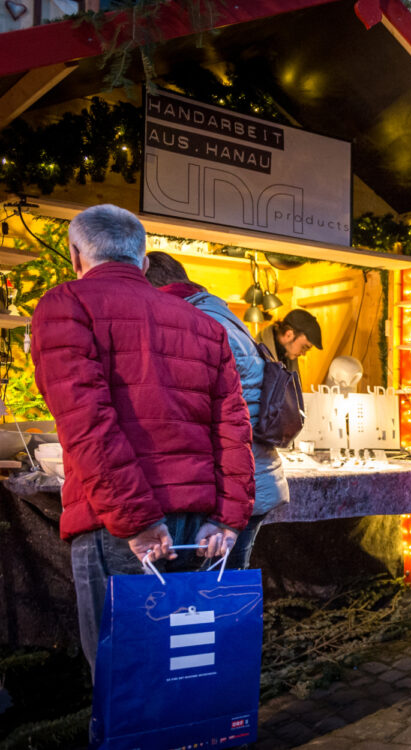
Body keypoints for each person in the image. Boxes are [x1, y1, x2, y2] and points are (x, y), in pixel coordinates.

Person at [30, 205, 254, 676]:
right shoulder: (204, 325)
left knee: (126, 681)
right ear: (144, 261)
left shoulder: (65, 304)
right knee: (189, 666)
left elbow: (86, 425)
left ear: (75, 255)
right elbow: (234, 430)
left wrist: (138, 523)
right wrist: (227, 519)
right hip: (198, 527)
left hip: (119, 526)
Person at [143, 252, 289, 569]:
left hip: (233, 488)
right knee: (218, 593)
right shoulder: (217, 314)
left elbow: (226, 421)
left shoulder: (202, 323)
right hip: (249, 480)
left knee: (212, 600)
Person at [257, 308, 323, 377]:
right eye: (304, 347)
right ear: (289, 334)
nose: (303, 353)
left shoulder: (288, 355)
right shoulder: (255, 356)